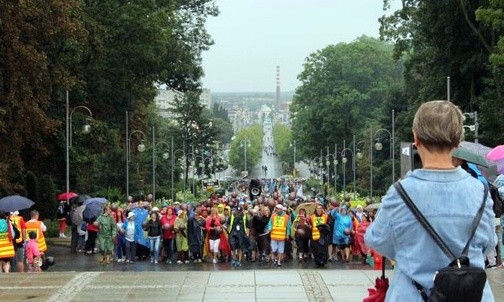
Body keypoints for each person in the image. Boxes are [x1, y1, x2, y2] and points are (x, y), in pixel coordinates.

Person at [365, 100, 496, 301]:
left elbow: (378, 240)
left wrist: (410, 252)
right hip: (472, 296)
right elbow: (488, 245)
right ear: (458, 141)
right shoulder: (480, 191)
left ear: (416, 139)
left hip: (414, 295)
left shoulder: (400, 192)